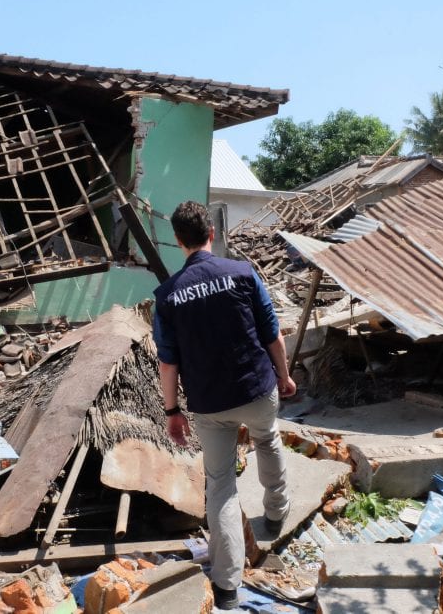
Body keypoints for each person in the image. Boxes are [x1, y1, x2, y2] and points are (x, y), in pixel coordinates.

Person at [152, 200, 296, 611]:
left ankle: (228, 589)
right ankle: (275, 514)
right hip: (256, 391)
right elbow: (273, 334)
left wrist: (171, 411)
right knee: (267, 439)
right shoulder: (243, 273)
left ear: (179, 242)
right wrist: (284, 377)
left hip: (209, 405)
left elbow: (168, 361)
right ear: (211, 234)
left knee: (221, 485)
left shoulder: (168, 296)